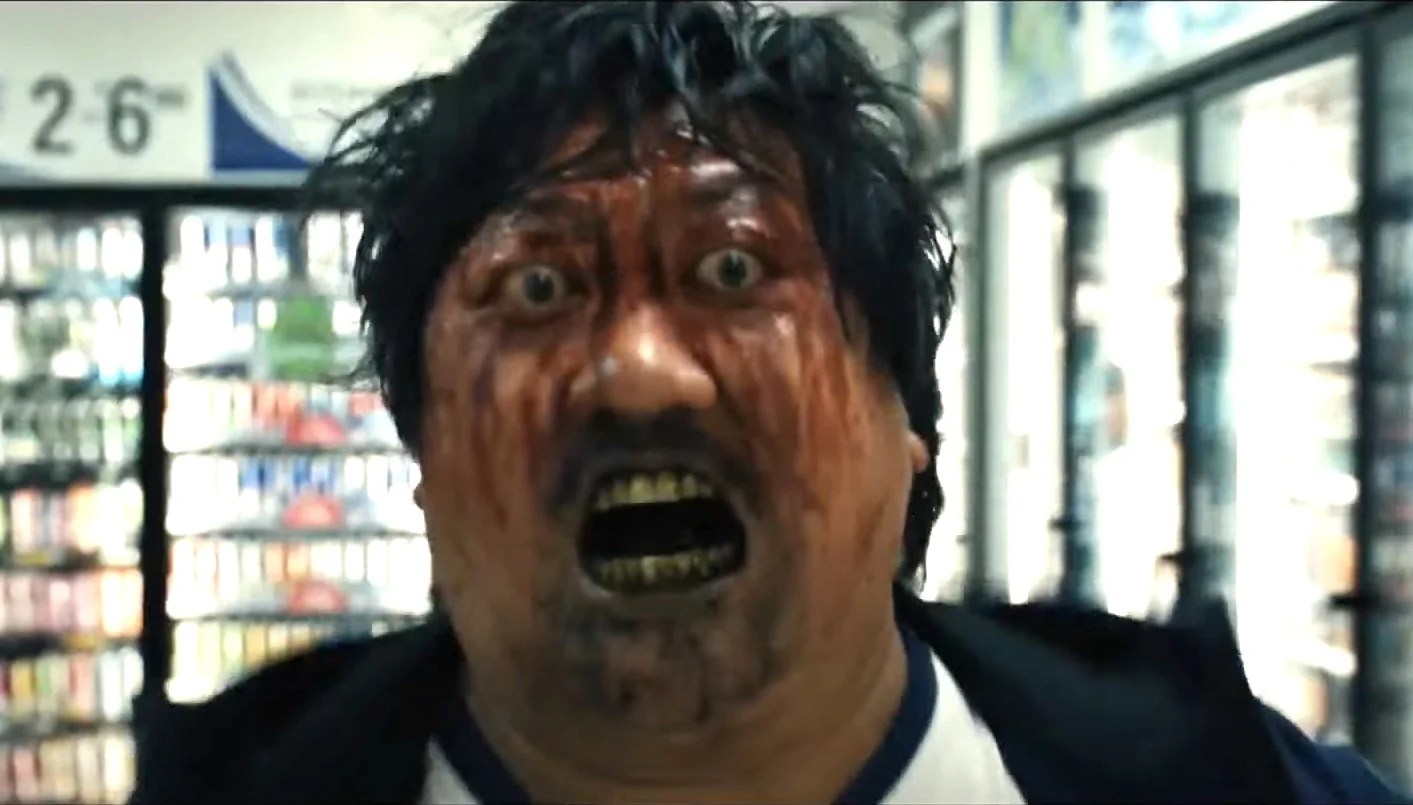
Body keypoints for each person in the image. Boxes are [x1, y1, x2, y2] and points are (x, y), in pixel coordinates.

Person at [129, 2, 1406, 803]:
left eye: (734, 270)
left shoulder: (1234, 781)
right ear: (426, 457)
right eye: (537, 286)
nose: (638, 371)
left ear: (909, 429)